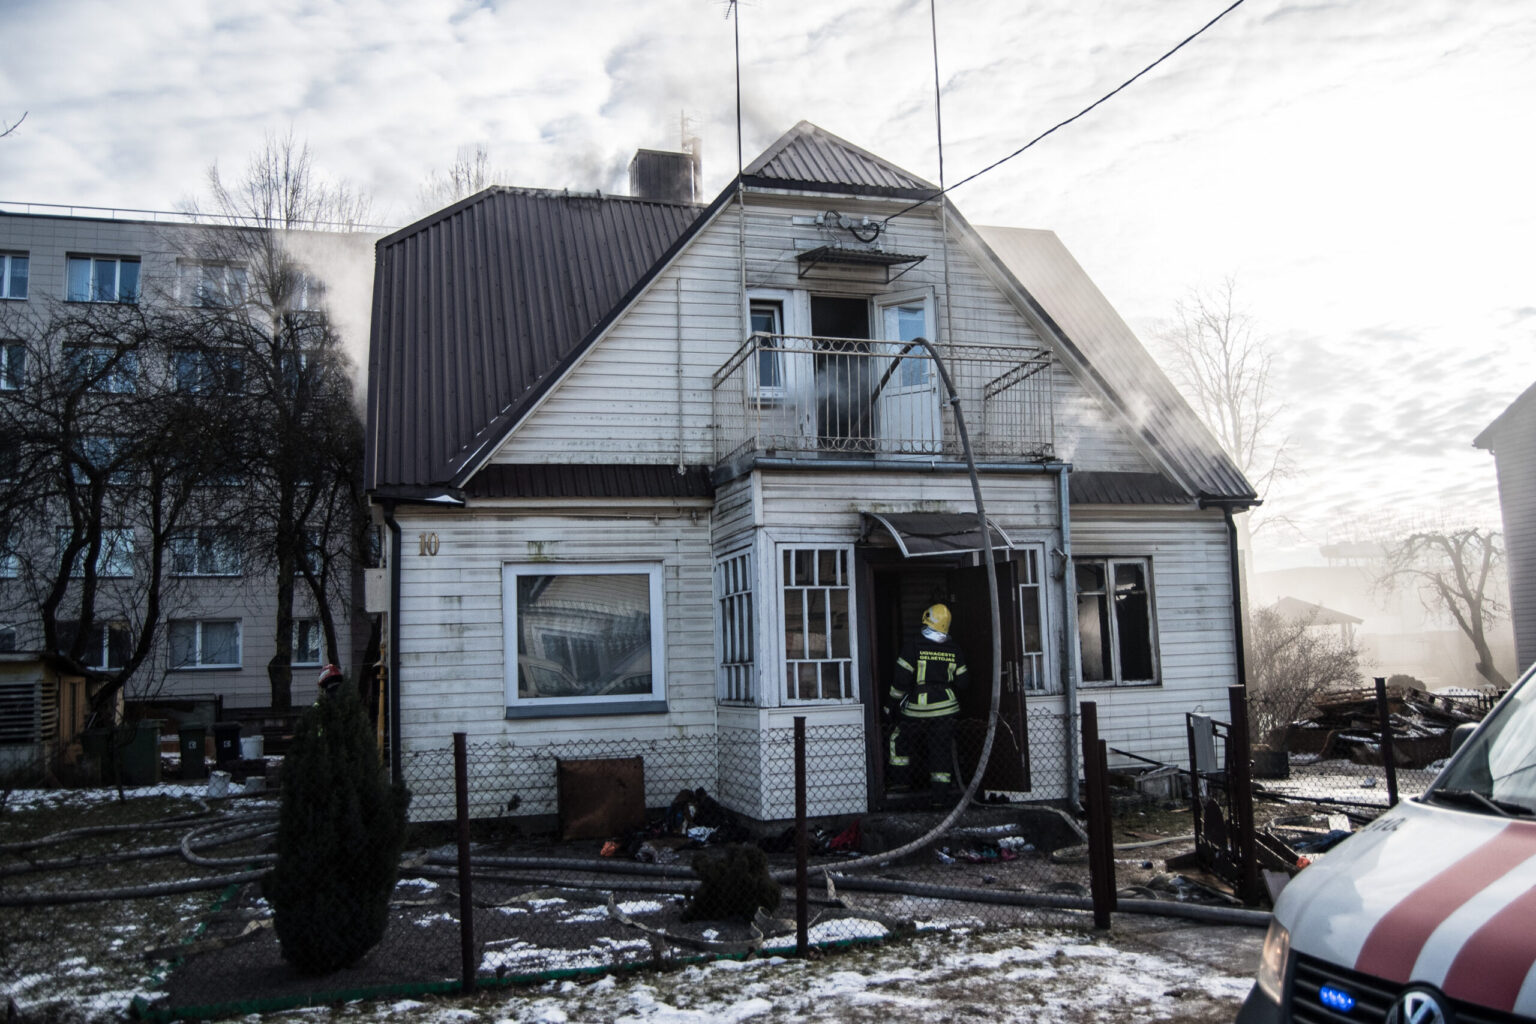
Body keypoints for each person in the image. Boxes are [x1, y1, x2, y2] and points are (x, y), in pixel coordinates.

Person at [887, 603, 969, 792]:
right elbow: (964, 682)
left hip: (917, 709)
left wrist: (891, 706)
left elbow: (900, 681)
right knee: (940, 750)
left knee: (899, 739)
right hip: (947, 709)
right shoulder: (954, 649)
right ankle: (940, 796)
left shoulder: (913, 646)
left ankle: (901, 784)